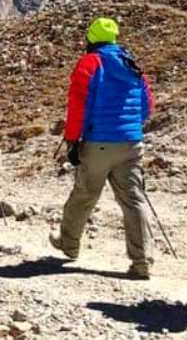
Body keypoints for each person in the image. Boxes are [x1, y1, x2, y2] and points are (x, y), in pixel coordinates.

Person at [49, 17, 155, 279]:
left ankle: (69, 244)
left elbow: (78, 105)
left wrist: (72, 139)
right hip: (131, 142)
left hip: (98, 142)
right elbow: (146, 104)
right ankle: (142, 261)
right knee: (133, 200)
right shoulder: (131, 64)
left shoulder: (90, 63)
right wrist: (130, 127)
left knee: (84, 195)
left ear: (91, 39)